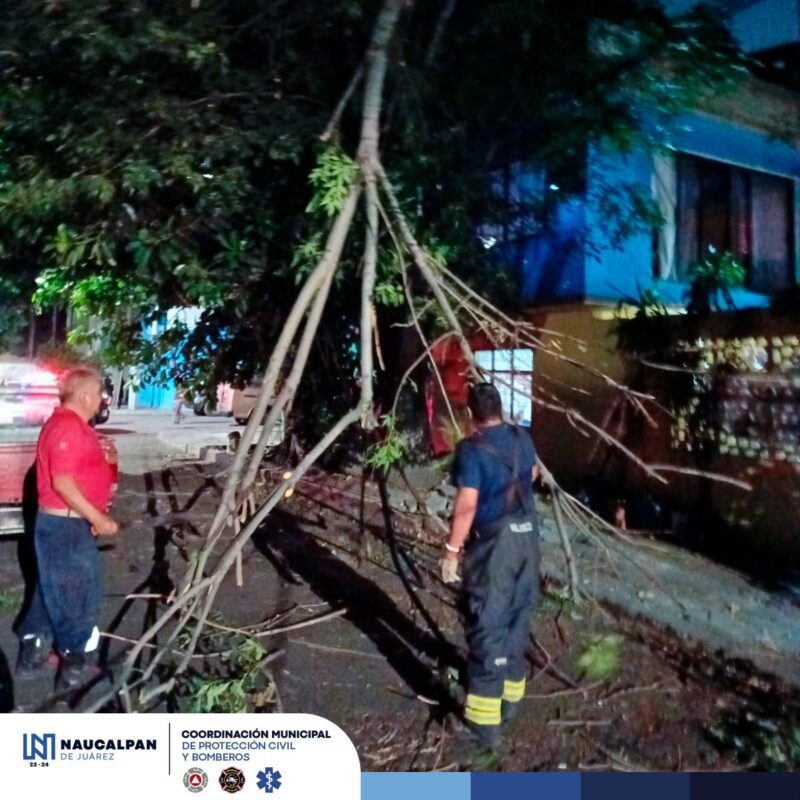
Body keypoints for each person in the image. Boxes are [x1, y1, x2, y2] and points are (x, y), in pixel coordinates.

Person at [441, 382, 540, 752]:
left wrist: (452, 550)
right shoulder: (521, 437)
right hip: (527, 541)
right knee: (517, 615)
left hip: (495, 547)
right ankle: (511, 702)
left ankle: (484, 726)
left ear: (470, 415)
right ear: (500, 409)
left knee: (487, 622)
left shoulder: (471, 450)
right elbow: (531, 476)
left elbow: (466, 505)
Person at [16, 366, 119, 688]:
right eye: (99, 392)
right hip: (64, 526)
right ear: (85, 395)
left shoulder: (71, 425)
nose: (102, 399)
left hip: (64, 524)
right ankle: (73, 667)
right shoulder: (66, 427)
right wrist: (97, 518)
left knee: (51, 589)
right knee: (78, 595)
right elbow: (63, 482)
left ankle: (31, 656)